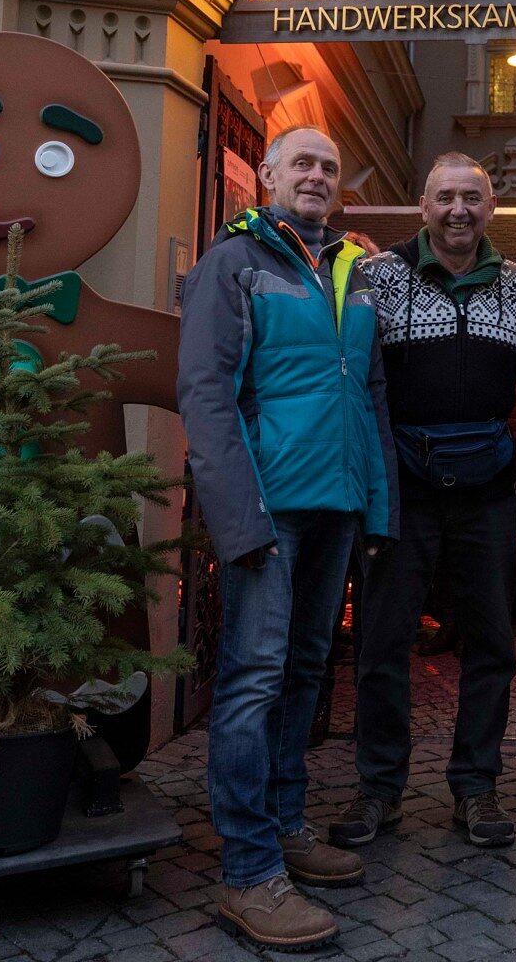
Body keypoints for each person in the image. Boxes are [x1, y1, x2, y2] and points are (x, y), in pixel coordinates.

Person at [177, 125, 400, 951]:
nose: (316, 176)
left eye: (329, 167)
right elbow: (206, 397)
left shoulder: (347, 269)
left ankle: (286, 822)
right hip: (268, 510)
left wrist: (378, 511)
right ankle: (248, 870)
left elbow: (368, 396)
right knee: (252, 680)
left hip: (336, 504)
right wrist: (239, 522)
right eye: (302, 163)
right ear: (266, 175)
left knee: (306, 671)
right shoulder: (231, 265)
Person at [332, 154, 516, 851]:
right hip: (401, 490)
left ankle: (476, 788)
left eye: (472, 199)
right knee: (382, 643)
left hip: (489, 491)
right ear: (422, 206)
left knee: (491, 645)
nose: (459, 210)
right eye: (445, 198)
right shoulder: (378, 279)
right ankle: (379, 790)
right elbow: (341, 374)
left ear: (491, 209)